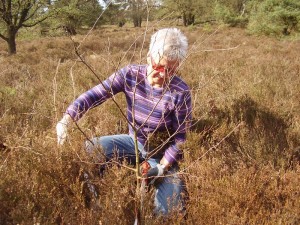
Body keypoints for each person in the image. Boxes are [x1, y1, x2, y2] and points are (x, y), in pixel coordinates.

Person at [56, 28, 192, 216]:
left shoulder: (180, 92)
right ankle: (99, 203)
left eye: (170, 70)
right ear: (148, 56)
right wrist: (67, 119)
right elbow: (95, 94)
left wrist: (162, 166)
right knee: (90, 150)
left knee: (166, 212)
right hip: (134, 142)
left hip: (162, 153)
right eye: (159, 67)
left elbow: (181, 138)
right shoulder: (130, 75)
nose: (162, 75)